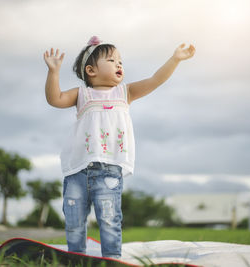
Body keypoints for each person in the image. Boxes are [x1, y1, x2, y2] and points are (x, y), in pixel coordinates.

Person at [43, 36, 195, 259]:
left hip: (109, 170)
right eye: (112, 60)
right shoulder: (81, 94)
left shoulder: (125, 92)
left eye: (121, 61)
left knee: (109, 218)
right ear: (91, 70)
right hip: (77, 170)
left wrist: (175, 59)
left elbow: (155, 80)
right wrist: (53, 72)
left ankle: (112, 259)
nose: (119, 65)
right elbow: (54, 99)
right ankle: (75, 259)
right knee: (74, 221)